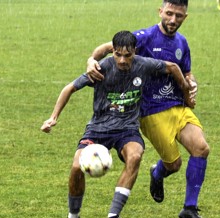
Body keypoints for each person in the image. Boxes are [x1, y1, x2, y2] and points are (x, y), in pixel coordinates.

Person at [41, 30, 193, 218]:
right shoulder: (101, 69)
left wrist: (186, 93)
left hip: (127, 129)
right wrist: (53, 117)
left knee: (135, 156)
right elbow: (69, 88)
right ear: (112, 51)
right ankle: (74, 215)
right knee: (75, 166)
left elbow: (172, 67)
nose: (122, 60)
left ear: (135, 52)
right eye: (118, 54)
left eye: (127, 55)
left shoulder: (143, 65)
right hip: (98, 128)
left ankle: (113, 215)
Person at [86, 1, 210, 217]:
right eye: (169, 14)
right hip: (152, 112)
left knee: (201, 149)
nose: (173, 20)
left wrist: (192, 82)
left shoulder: (182, 42)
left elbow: (187, 72)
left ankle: (189, 209)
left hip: (178, 106)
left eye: (178, 16)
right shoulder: (144, 37)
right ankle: (157, 172)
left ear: (185, 17)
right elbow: (108, 48)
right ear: (160, 11)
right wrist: (91, 61)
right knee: (174, 165)